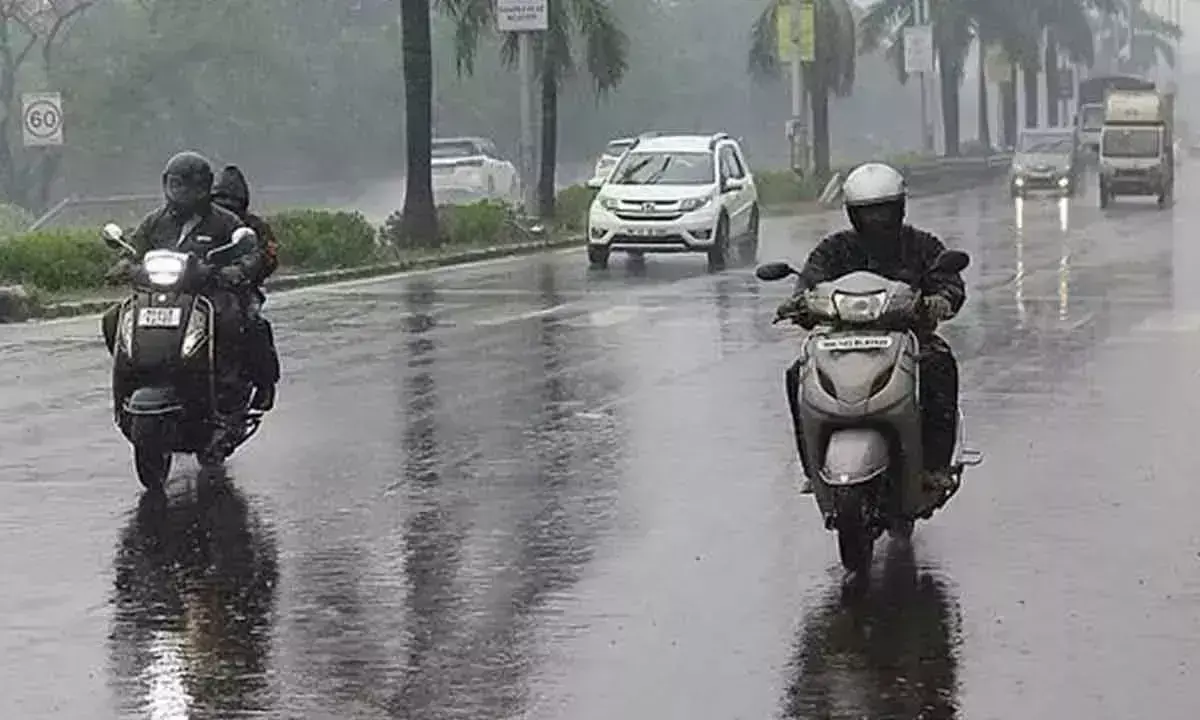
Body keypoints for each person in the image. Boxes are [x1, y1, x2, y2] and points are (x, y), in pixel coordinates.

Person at [776, 162, 964, 494]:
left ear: (900, 208)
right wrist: (798, 305)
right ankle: (812, 468)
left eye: (884, 211)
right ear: (852, 213)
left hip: (909, 339)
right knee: (797, 374)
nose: (877, 220)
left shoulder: (921, 245)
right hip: (839, 340)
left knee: (939, 366)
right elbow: (809, 284)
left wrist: (941, 299)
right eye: (868, 212)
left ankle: (935, 465)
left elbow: (948, 280)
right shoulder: (835, 249)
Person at [102, 151, 263, 428]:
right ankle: (132, 374)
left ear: (206, 187)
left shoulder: (224, 221)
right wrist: (123, 266)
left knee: (232, 319)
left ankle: (229, 383)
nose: (183, 192)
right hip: (158, 296)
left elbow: (250, 254)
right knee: (113, 318)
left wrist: (236, 270)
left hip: (207, 294)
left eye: (192, 186)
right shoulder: (155, 221)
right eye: (176, 185)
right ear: (166, 184)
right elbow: (133, 250)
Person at [211, 164, 280, 413]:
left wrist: (246, 271)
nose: (226, 205)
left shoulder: (254, 226)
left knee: (253, 325)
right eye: (220, 200)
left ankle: (265, 384)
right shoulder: (202, 223)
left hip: (240, 291)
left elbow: (269, 258)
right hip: (198, 289)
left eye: (230, 200)